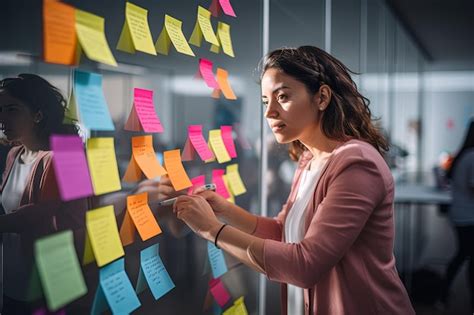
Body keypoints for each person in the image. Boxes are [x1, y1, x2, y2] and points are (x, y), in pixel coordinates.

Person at [163, 46, 415, 314]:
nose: (269, 112)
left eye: (282, 96)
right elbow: (283, 232)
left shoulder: (358, 164)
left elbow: (305, 265)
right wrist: (224, 210)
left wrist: (211, 230)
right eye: (264, 101)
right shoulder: (309, 158)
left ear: (322, 98)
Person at [0, 74, 87, 314]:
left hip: (47, 285)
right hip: (13, 279)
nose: (2, 118)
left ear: (38, 115)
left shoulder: (65, 155)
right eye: (0, 109)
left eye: (12, 109)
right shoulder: (14, 154)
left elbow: (36, 215)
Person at [442, 119, 474, 311]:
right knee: (466, 257)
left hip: (461, 214)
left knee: (462, 255)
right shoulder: (472, 156)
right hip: (468, 217)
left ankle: (443, 294)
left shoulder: (464, 154)